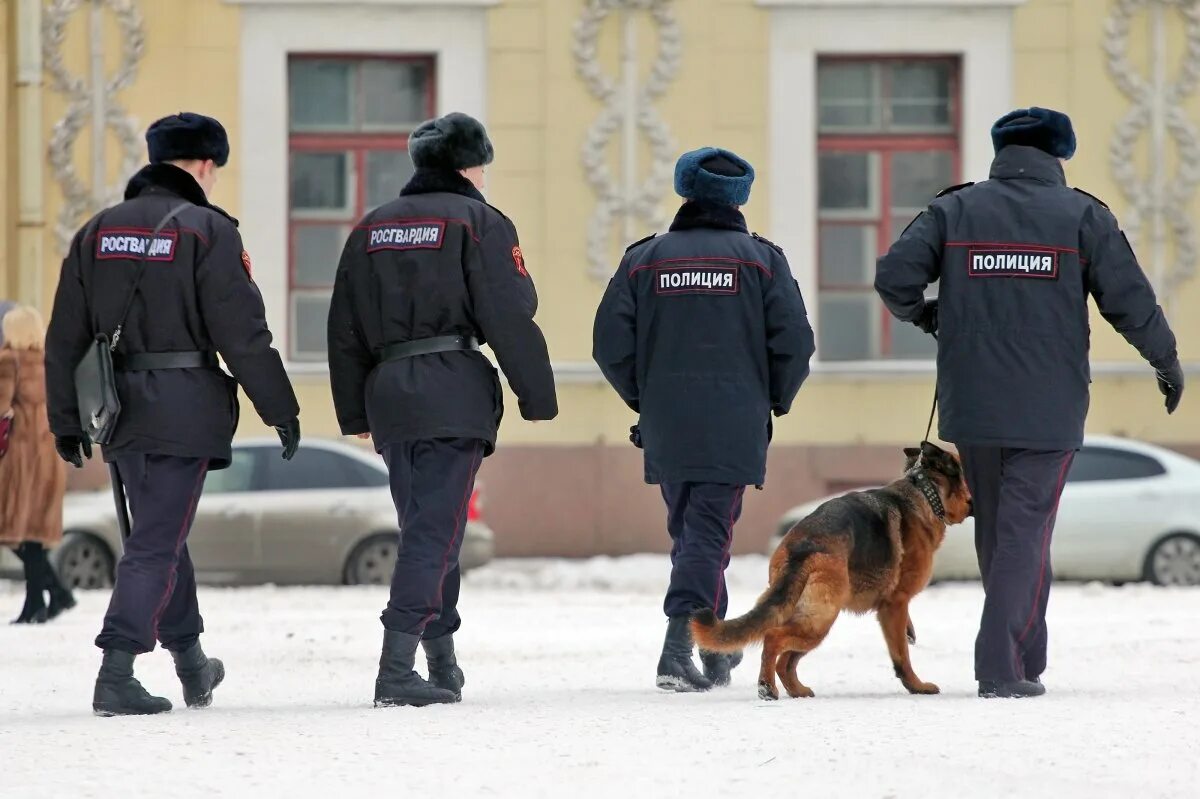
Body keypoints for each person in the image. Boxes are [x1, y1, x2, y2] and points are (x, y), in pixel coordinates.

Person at [875, 107, 1183, 699]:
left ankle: (1025, 656)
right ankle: (1000, 664)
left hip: (974, 408)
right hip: (1049, 410)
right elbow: (1130, 299)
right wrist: (1165, 361)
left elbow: (894, 278)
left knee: (1004, 533)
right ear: (1058, 154)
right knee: (1023, 534)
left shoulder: (955, 209)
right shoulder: (1082, 216)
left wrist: (926, 314)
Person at [45, 112, 302, 716]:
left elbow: (64, 338)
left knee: (161, 532)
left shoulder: (97, 231)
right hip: (183, 405)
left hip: (118, 408)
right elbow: (243, 335)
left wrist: (65, 420)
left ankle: (191, 664)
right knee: (157, 539)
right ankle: (117, 667)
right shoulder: (208, 231)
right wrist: (279, 408)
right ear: (208, 165)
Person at [328, 112, 557, 707]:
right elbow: (511, 311)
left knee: (432, 530)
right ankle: (397, 668)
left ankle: (441, 661)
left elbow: (344, 328)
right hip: (451, 390)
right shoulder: (479, 222)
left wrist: (353, 410)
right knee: (434, 532)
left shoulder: (371, 228)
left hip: (390, 395)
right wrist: (536, 394)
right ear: (468, 165)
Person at [593, 147, 816, 692]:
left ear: (684, 189)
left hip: (667, 420)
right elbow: (795, 344)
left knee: (695, 532)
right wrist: (775, 399)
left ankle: (714, 649)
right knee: (706, 533)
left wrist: (644, 398)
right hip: (735, 418)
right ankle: (678, 646)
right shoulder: (762, 260)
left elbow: (609, 345)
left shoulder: (644, 259)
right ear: (738, 197)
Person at [0, 305, 74, 624]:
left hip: (19, 459)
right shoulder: (52, 361)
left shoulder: (8, 361)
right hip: (49, 456)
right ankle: (51, 596)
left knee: (18, 529)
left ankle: (44, 598)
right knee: (32, 533)